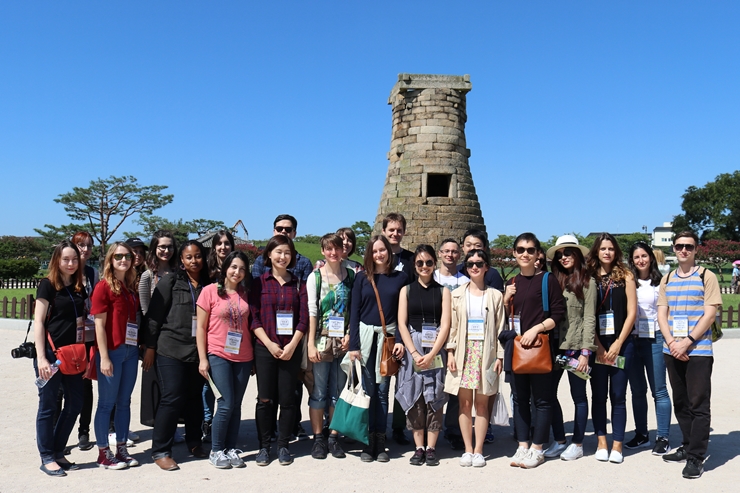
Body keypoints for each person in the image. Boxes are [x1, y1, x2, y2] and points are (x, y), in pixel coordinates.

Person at [658, 231, 721, 479]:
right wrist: (673, 342)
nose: (683, 250)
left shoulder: (707, 276)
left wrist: (687, 342)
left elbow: (710, 314)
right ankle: (687, 444)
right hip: (672, 349)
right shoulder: (667, 279)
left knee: (698, 404)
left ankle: (696, 456)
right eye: (679, 246)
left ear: (696, 249)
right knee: (681, 402)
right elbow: (662, 314)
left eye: (689, 246)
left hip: (698, 350)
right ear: (674, 249)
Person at [146, 240, 211, 471]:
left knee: (194, 398)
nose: (194, 261)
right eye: (188, 257)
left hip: (197, 351)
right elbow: (154, 316)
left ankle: (194, 442)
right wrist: (150, 347)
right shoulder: (170, 281)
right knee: (172, 397)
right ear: (181, 261)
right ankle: (161, 450)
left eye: (198, 256)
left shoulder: (209, 284)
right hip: (170, 349)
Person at [503, 233, 565, 469]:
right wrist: (505, 298)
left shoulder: (547, 280)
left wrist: (536, 329)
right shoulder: (513, 282)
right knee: (519, 399)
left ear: (538, 253)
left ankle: (538, 448)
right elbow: (506, 319)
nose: (525, 254)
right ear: (514, 253)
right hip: (517, 347)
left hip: (539, 347)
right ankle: (522, 445)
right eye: (520, 250)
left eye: (530, 250)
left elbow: (558, 314)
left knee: (542, 400)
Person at [251, 214, 312, 442]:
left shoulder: (300, 280)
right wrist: (269, 343)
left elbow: (304, 317)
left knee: (289, 397)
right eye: (278, 252)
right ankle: (265, 444)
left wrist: (292, 345)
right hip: (266, 345)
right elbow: (254, 316)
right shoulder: (258, 280)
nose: (282, 256)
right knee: (265, 398)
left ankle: (285, 440)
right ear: (269, 254)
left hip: (291, 346)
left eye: (287, 253)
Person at [348, 235, 408, 462]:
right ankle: (366, 440)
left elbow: (404, 314)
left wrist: (400, 340)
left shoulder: (400, 278)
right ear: (369, 254)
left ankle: (380, 440)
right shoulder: (362, 278)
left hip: (387, 338)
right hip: (364, 339)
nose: (379, 254)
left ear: (389, 252)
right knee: (367, 391)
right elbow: (354, 314)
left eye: (382, 250)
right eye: (374, 251)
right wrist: (353, 345)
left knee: (382, 392)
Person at [444, 248, 504, 467]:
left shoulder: (495, 295)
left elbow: (500, 328)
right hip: (464, 352)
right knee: (464, 403)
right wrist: (450, 352)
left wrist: (500, 356)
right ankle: (467, 449)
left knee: (482, 404)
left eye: (479, 263)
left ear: (486, 267)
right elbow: (452, 327)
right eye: (470, 264)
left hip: (486, 352)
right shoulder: (457, 294)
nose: (475, 267)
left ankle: (479, 450)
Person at [33, 241, 87, 476]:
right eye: (66, 259)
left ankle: (57, 450)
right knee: (48, 406)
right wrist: (41, 358)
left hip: (73, 354)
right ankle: (46, 456)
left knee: (75, 403)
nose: (71, 263)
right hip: (50, 355)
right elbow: (39, 322)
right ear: (57, 260)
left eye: (74, 259)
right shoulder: (47, 285)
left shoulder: (78, 286)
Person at [196, 251, 254, 469]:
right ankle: (216, 449)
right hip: (218, 353)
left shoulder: (247, 293)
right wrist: (203, 359)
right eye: (233, 267)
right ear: (225, 267)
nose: (237, 272)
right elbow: (200, 328)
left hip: (244, 355)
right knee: (225, 402)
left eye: (242, 269)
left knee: (236, 404)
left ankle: (230, 448)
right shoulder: (210, 291)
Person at [396, 245, 451, 466]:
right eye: (420, 263)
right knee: (415, 397)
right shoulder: (406, 290)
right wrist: (414, 352)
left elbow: (445, 324)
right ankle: (418, 447)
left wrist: (432, 353)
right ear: (414, 266)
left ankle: (431, 447)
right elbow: (402, 322)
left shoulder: (443, 291)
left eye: (428, 262)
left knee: (434, 397)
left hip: (435, 348)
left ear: (434, 264)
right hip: (414, 348)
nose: (424, 266)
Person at [586, 233, 637, 464]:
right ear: (596, 251)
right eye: (603, 248)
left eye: (611, 248)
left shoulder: (626, 275)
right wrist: (596, 343)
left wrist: (618, 343)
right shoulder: (589, 277)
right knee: (598, 395)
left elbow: (632, 313)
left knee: (618, 395)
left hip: (621, 345)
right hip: (597, 346)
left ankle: (617, 444)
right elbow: (586, 313)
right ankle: (601, 441)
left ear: (616, 252)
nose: (607, 252)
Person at [544, 235, 596, 461]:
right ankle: (559, 439)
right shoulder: (553, 280)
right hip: (556, 347)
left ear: (577, 255)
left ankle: (577, 442)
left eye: (568, 253)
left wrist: (586, 352)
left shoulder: (587, 282)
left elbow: (589, 318)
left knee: (578, 396)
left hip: (576, 349)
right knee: (549, 393)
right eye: (560, 254)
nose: (564, 257)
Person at [90, 241, 140, 469]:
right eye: (119, 256)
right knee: (106, 403)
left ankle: (121, 448)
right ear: (110, 259)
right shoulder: (103, 287)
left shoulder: (130, 287)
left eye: (127, 256)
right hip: (112, 351)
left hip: (131, 351)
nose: (123, 260)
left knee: (124, 402)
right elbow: (99, 326)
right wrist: (105, 357)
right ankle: (103, 453)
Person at [306, 234, 356, 460]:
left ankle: (334, 437)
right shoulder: (315, 277)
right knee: (318, 392)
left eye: (337, 248)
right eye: (329, 249)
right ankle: (318, 439)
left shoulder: (351, 276)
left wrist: (349, 335)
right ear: (323, 251)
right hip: (322, 339)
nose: (333, 253)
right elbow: (312, 312)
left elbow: (354, 310)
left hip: (342, 341)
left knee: (338, 391)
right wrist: (310, 344)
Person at [624, 242, 673, 456]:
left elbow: (668, 310)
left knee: (659, 390)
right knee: (636, 391)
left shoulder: (661, 282)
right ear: (631, 260)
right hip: (633, 339)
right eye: (636, 257)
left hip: (655, 338)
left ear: (651, 257)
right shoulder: (628, 281)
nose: (641, 260)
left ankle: (663, 437)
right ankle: (642, 434)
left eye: (644, 256)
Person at [381, 213, 415, 445]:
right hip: (381, 326)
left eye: (399, 230)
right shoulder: (376, 255)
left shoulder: (411, 260)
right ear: (384, 231)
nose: (395, 233)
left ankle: (399, 427)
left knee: (402, 379)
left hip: (403, 325)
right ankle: (378, 428)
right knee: (381, 379)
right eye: (391, 230)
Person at [433, 238, 469, 450]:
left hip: (456, 340)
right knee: (434, 385)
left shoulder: (465, 281)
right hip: (432, 338)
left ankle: (454, 430)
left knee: (457, 387)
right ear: (439, 253)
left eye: (454, 252)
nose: (450, 255)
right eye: (446, 251)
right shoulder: (431, 276)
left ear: (459, 255)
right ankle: (433, 429)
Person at [203, 229, 237, 442]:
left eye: (227, 243)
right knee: (208, 384)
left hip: (233, 339)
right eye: (219, 243)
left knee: (227, 391)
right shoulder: (207, 271)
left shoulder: (238, 269)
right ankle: (207, 421)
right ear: (214, 246)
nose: (223, 247)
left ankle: (223, 428)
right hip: (210, 331)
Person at [72, 231, 99, 451]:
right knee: (62, 387)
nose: (85, 249)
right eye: (81, 245)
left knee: (86, 383)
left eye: (89, 245)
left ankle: (84, 431)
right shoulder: (66, 271)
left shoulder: (92, 273)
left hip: (88, 334)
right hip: (68, 335)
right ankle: (56, 433)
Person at [139, 231, 178, 316]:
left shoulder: (179, 274)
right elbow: (145, 309)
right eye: (162, 247)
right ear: (154, 248)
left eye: (170, 247)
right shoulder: (147, 276)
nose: (167, 251)